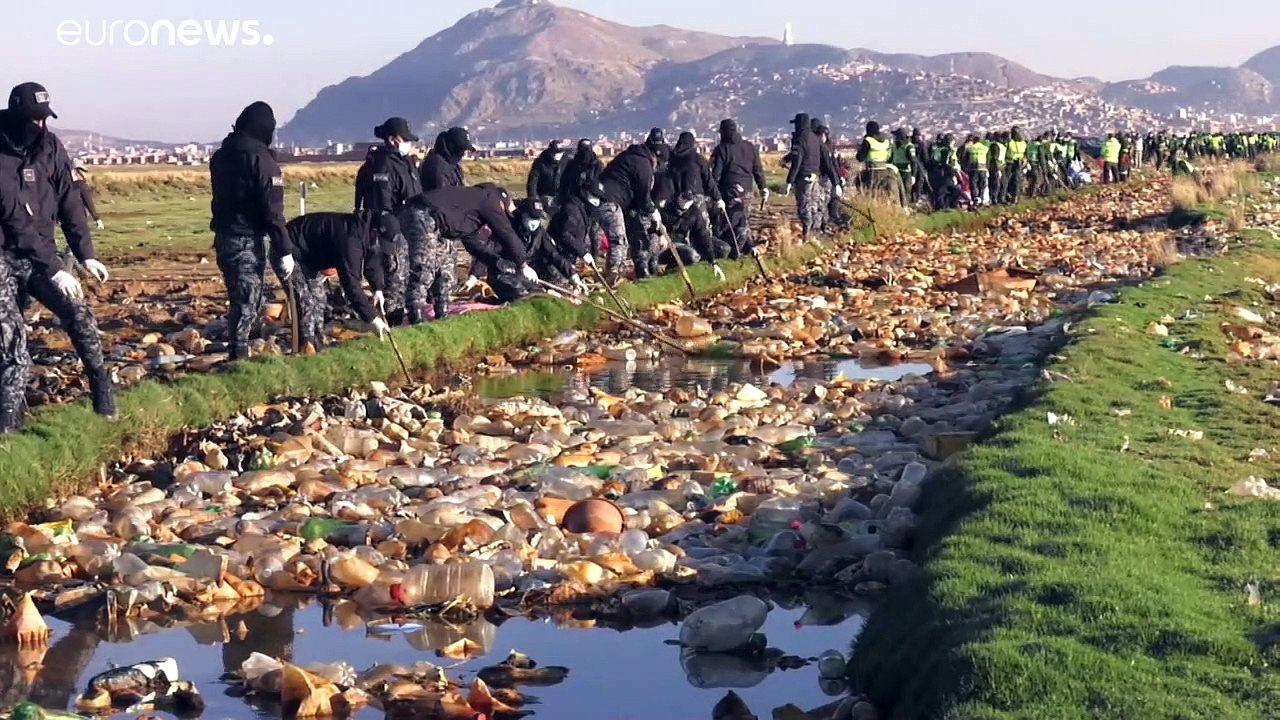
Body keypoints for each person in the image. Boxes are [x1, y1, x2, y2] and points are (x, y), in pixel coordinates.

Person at [0, 82, 115, 418]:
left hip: (42, 256)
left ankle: (103, 396)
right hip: (4, 256)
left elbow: (69, 201)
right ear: (18, 115)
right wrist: (54, 268)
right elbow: (14, 219)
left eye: (44, 119)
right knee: (11, 347)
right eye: (33, 119)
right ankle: (9, 429)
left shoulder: (50, 146)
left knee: (79, 315)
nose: (40, 126)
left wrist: (85, 253)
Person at [209, 100, 294, 361]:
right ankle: (238, 357)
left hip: (224, 236)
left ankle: (242, 347)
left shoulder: (222, 155)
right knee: (246, 302)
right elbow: (272, 210)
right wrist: (285, 249)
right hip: (246, 238)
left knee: (240, 297)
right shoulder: (261, 160)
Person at [0, 158, 75, 432]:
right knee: (13, 351)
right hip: (19, 260)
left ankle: (13, 415)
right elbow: (20, 226)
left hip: (26, 260)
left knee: (12, 343)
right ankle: (8, 427)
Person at [404, 183, 537, 308]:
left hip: (437, 222)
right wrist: (523, 265)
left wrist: (496, 262)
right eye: (505, 213)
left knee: (445, 273)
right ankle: (416, 315)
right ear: (502, 204)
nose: (504, 216)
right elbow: (506, 233)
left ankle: (440, 313)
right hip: (423, 213)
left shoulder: (471, 212)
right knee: (423, 269)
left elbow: (473, 244)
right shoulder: (489, 200)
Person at [283, 210, 391, 350]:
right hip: (290, 249)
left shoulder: (368, 233)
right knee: (305, 302)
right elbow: (350, 282)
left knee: (319, 300)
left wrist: (377, 289)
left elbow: (372, 260)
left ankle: (317, 342)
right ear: (377, 232)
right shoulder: (352, 240)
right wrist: (371, 317)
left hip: (310, 256)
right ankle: (306, 347)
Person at [354, 117, 420, 324]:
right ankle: (390, 322)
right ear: (392, 140)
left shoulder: (405, 163)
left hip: (409, 227)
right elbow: (382, 204)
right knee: (394, 280)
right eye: (404, 139)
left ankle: (399, 319)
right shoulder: (382, 166)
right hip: (390, 230)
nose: (408, 144)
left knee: (405, 278)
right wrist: (390, 232)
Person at [597, 141, 660, 282]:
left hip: (599, 198)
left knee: (598, 238)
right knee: (618, 240)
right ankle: (614, 275)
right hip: (610, 201)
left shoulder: (626, 157)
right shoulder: (644, 165)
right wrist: (652, 211)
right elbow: (643, 196)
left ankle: (613, 271)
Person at [666, 131, 725, 270]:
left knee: (680, 229)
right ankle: (705, 256)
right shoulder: (698, 159)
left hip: (675, 198)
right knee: (702, 228)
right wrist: (718, 198)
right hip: (696, 197)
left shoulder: (673, 158)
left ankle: (684, 255)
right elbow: (709, 181)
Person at [710, 118, 768, 257]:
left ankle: (733, 251)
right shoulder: (750, 147)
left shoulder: (722, 149)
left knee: (729, 221)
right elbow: (758, 169)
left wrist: (713, 192)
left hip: (730, 191)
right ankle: (747, 247)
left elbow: (716, 174)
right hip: (747, 190)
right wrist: (763, 187)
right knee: (744, 219)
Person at [513, 197, 583, 292]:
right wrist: (522, 268)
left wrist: (571, 273)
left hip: (534, 268)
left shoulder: (539, 232)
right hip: (513, 269)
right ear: (522, 214)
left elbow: (553, 253)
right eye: (531, 217)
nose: (534, 222)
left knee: (554, 273)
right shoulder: (510, 229)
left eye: (537, 218)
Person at [785, 113, 830, 238]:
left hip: (803, 178)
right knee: (814, 204)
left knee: (804, 206)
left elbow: (797, 162)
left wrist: (790, 180)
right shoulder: (814, 138)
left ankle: (807, 232)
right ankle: (816, 231)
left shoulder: (800, 139)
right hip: (815, 176)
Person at [855, 121, 901, 206]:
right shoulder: (886, 141)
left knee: (865, 188)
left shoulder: (868, 140)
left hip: (872, 172)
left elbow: (860, 157)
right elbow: (890, 157)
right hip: (885, 170)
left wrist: (859, 151)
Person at [419, 126, 474, 192]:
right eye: (461, 150)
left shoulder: (452, 164)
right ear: (453, 148)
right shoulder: (437, 169)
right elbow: (442, 197)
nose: (464, 154)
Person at [526, 140, 567, 209]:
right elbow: (533, 182)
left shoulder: (567, 162)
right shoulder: (540, 162)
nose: (556, 155)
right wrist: (534, 199)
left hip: (562, 197)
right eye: (554, 153)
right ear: (550, 151)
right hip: (543, 196)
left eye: (559, 153)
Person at [71, 159, 102, 231]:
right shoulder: (80, 184)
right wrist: (97, 219)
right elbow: (88, 202)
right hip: (78, 217)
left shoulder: (63, 184)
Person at [891, 128, 917, 207]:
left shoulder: (908, 147)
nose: (894, 138)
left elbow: (914, 162)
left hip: (906, 173)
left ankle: (906, 210)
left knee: (906, 193)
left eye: (895, 136)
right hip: (896, 173)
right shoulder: (894, 146)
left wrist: (913, 176)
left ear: (899, 137)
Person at [962, 134, 989, 207]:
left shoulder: (970, 148)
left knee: (973, 184)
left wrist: (965, 168)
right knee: (982, 185)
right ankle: (981, 199)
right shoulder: (985, 148)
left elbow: (965, 159)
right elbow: (988, 159)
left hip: (973, 169)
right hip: (983, 168)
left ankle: (975, 199)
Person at [1005, 128, 1028, 204]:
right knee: (1015, 180)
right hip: (1016, 163)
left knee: (1009, 180)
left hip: (1011, 163)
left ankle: (1010, 196)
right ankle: (1014, 196)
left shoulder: (1010, 142)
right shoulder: (1023, 143)